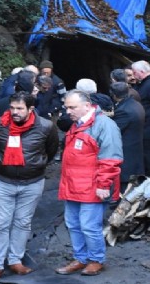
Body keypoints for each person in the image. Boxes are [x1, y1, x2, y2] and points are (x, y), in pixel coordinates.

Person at [0, 92, 59, 282]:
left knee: (22, 222)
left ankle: (15, 260)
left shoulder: (46, 126)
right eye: (12, 108)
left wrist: (37, 164)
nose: (15, 112)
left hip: (32, 182)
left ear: (30, 109)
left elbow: (51, 151)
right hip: (4, 181)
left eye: (20, 109)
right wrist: (0, 161)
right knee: (0, 224)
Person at [55, 90, 123, 276]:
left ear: (87, 105)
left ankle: (96, 259)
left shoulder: (104, 125)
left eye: (72, 107)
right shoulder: (78, 124)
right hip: (73, 185)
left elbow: (111, 158)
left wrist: (103, 185)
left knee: (89, 226)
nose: (68, 111)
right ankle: (81, 258)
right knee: (73, 224)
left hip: (92, 186)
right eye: (66, 107)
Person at [110, 82, 144, 194]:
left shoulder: (123, 111)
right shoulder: (135, 104)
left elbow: (114, 131)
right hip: (136, 145)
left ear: (114, 95)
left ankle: (119, 202)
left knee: (125, 181)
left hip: (127, 149)